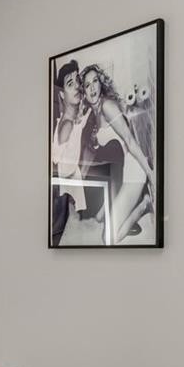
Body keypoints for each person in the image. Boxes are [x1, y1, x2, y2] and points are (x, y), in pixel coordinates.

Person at [78, 64, 155, 244]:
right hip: (121, 171)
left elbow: (129, 140)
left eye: (95, 81)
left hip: (133, 171)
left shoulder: (107, 106)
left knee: (108, 239)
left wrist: (151, 174)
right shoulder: (95, 111)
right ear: (84, 92)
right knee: (98, 217)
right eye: (87, 85)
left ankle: (144, 204)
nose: (92, 88)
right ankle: (125, 206)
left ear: (101, 83)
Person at [50, 60, 86, 243]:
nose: (77, 86)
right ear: (62, 94)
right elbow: (63, 170)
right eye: (70, 84)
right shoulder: (67, 125)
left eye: (77, 80)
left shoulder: (70, 120)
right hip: (68, 200)